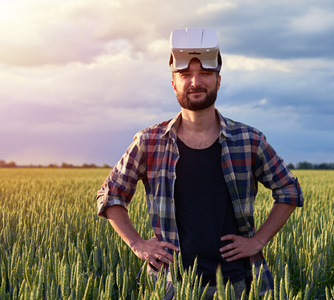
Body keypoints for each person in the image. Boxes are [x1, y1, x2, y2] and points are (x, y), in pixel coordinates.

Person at [97, 28, 304, 299]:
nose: (195, 82)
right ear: (174, 84)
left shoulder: (248, 140)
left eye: (205, 73)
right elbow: (110, 195)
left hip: (235, 285)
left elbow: (289, 190)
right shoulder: (149, 141)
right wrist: (137, 244)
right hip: (170, 286)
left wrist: (258, 240)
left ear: (218, 81)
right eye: (185, 75)